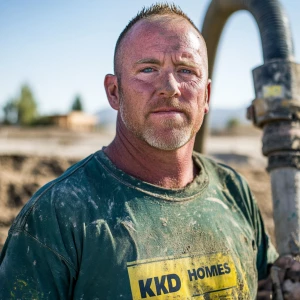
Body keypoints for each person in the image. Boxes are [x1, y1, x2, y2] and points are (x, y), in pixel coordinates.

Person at [0, 3, 299, 299]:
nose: (169, 87)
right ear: (114, 93)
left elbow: (262, 286)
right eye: (147, 69)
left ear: (206, 95)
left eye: (186, 70)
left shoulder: (234, 192)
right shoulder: (57, 215)